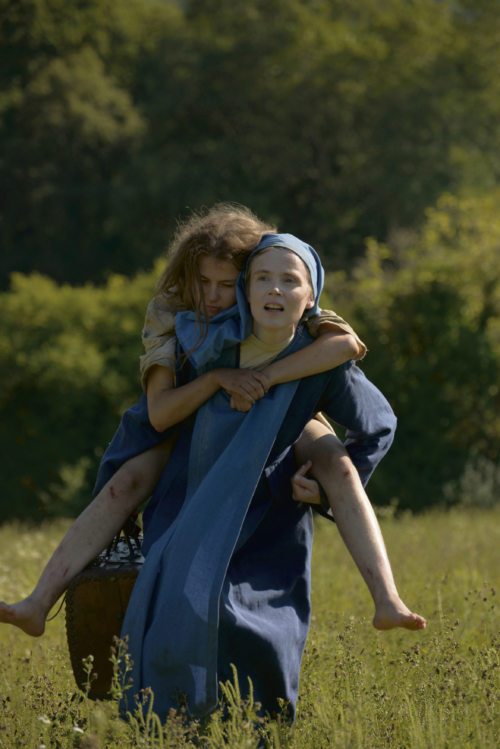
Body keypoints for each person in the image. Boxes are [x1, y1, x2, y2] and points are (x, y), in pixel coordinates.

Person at [0, 207, 424, 647]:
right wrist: (218, 378)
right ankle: (37, 601)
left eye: (226, 284)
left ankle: (387, 598)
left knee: (338, 465)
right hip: (190, 420)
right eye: (203, 282)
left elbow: (345, 343)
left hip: (284, 414)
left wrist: (268, 379)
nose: (213, 296)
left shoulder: (274, 290)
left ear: (245, 277)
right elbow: (162, 413)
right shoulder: (170, 311)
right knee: (125, 482)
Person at [118, 233, 424, 721]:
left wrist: (324, 488)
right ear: (245, 289)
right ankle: (168, 724)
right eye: (262, 279)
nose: (275, 290)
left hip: (272, 507)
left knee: (265, 628)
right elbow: (164, 411)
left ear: (311, 298)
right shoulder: (210, 344)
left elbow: (378, 424)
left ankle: (262, 726)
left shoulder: (323, 359)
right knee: (184, 609)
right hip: (200, 499)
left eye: (290, 281)